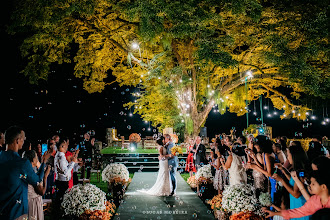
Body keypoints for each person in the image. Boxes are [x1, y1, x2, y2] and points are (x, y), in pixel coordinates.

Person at [0, 126, 50, 220]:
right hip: (16, 213)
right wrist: (43, 163)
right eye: (23, 139)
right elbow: (37, 180)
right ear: (17, 140)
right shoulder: (22, 163)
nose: (23, 141)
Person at [263, 170, 330, 219]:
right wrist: (274, 213)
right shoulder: (314, 200)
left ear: (323, 187)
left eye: (313, 184)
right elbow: (297, 212)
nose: (310, 185)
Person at [272, 141, 311, 220]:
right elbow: (293, 181)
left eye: (288, 154)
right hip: (296, 204)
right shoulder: (297, 169)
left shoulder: (301, 172)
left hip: (300, 204)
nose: (287, 156)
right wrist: (283, 169)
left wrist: (281, 180)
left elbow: (296, 194)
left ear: (294, 156)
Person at [245, 135, 278, 203]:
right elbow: (264, 169)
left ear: (261, 144)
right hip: (271, 181)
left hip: (273, 182)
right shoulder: (265, 154)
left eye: (256, 144)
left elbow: (269, 173)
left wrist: (254, 167)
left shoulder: (267, 155)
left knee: (272, 202)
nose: (254, 146)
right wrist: (253, 157)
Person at [24, 150, 51, 220]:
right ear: (33, 160)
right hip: (32, 204)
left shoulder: (26, 169)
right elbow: (41, 191)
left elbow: (37, 176)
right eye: (36, 157)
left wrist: (43, 162)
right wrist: (45, 177)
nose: (37, 159)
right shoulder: (29, 172)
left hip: (26, 202)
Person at [54, 139, 78, 214]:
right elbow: (65, 172)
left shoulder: (60, 155)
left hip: (61, 181)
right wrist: (73, 163)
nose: (67, 147)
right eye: (66, 145)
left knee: (61, 199)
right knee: (62, 199)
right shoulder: (61, 157)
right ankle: (60, 214)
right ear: (62, 146)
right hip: (62, 182)